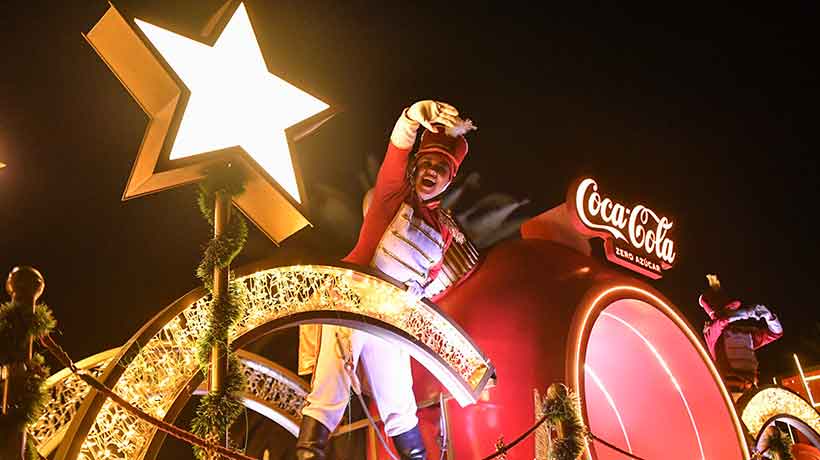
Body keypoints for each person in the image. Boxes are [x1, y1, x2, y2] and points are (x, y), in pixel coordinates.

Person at [295, 100, 476, 460]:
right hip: (353, 298)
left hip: (391, 317)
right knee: (332, 386)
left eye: (440, 167)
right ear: (415, 167)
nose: (431, 171)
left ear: (450, 177)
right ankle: (308, 454)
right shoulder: (392, 194)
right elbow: (398, 148)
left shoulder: (442, 232)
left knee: (399, 400)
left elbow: (428, 283)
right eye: (425, 162)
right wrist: (412, 117)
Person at [699, 274, 783, 395]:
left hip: (752, 391)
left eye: (730, 309)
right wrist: (747, 313)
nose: (731, 311)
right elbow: (721, 322)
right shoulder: (712, 334)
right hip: (730, 394)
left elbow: (776, 333)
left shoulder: (745, 333)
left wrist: (769, 317)